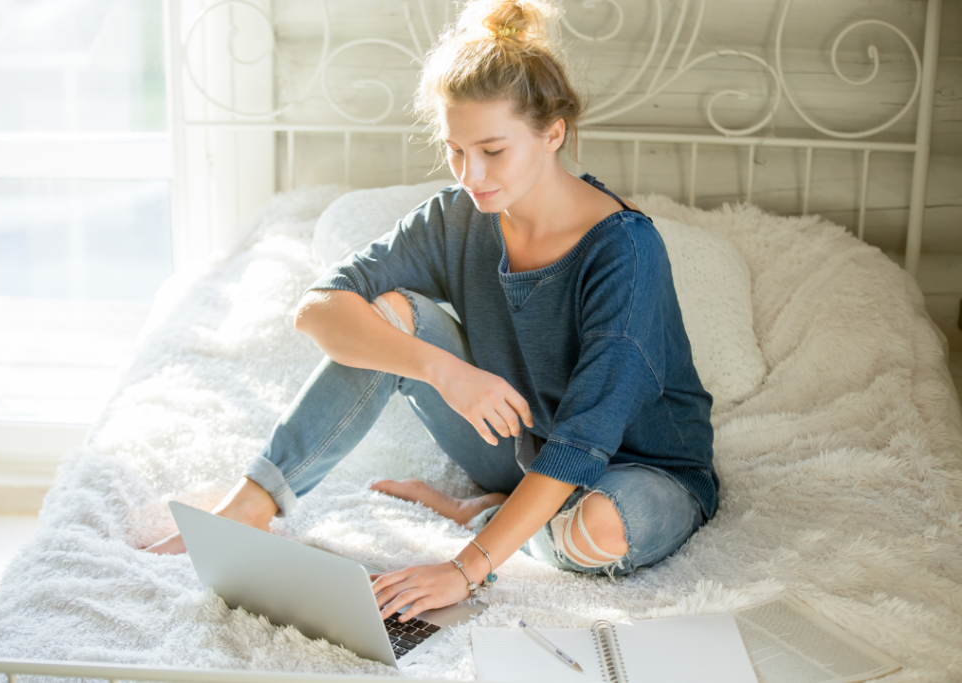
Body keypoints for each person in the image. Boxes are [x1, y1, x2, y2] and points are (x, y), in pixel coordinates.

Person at [144, 0, 718, 627]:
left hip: (640, 470)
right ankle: (251, 505)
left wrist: (466, 565)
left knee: (600, 531)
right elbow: (318, 309)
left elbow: (585, 437)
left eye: (494, 150)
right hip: (520, 440)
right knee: (387, 314)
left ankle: (490, 514)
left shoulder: (625, 251)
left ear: (553, 133)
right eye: (456, 151)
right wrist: (444, 371)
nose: (472, 174)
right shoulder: (458, 215)